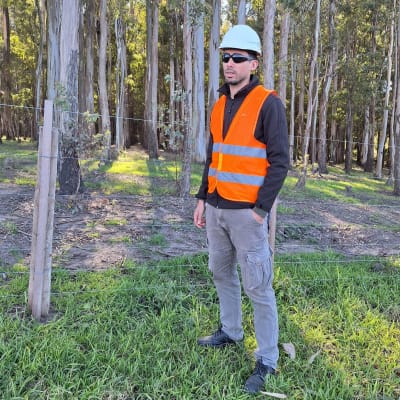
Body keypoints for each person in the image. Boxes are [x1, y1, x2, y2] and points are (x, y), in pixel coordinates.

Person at [193, 24, 289, 394]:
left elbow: (280, 162)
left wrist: (260, 212)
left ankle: (266, 359)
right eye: (225, 57)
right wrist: (203, 198)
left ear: (254, 64)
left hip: (247, 215)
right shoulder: (219, 105)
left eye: (238, 58)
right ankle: (230, 331)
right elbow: (213, 158)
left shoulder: (269, 104)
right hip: (216, 211)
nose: (229, 64)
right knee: (220, 273)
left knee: (259, 287)